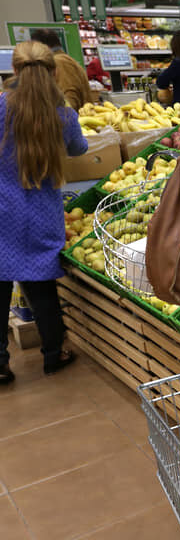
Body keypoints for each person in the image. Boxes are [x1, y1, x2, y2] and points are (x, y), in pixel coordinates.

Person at [0, 41, 88, 384]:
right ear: (54, 72)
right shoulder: (63, 113)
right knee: (41, 290)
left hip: (2, 210)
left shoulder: (1, 106)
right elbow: (79, 148)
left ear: (16, 71)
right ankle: (54, 355)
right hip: (40, 213)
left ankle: (1, 364)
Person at [29, 29, 97, 109]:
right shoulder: (63, 59)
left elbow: (70, 98)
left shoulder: (59, 62)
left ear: (44, 47)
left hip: (74, 119)